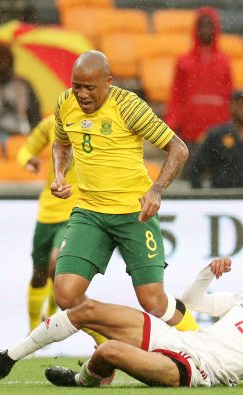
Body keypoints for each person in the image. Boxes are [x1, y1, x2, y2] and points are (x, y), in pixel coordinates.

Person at [0, 257, 243, 389]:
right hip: (179, 341)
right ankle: (7, 358)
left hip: (196, 369)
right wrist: (207, 272)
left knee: (109, 350)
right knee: (88, 310)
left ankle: (85, 380)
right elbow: (192, 302)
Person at [48, 50, 199, 343]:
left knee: (153, 301)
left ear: (108, 82)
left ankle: (204, 345)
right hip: (90, 212)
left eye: (89, 87)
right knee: (66, 294)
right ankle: (107, 342)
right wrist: (60, 174)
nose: (81, 94)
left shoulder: (128, 107)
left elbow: (179, 149)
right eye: (76, 86)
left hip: (134, 213)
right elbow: (61, 143)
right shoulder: (65, 103)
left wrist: (156, 190)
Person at [17, 115, 79, 333]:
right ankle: (33, 326)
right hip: (48, 212)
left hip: (76, 210)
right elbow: (25, 150)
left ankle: (51, 314)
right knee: (39, 273)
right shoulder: (52, 123)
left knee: (56, 263)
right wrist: (28, 160)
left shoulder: (98, 124)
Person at [164, 7, 233, 177]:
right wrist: (172, 124)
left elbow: (229, 95)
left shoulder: (224, 61)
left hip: (218, 131)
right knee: (191, 176)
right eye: (202, 25)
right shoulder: (184, 61)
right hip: (190, 131)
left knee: (219, 176)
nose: (206, 29)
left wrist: (230, 127)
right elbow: (176, 96)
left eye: (210, 25)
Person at [189, 89, 243, 189]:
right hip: (224, 197)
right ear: (230, 106)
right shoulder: (216, 136)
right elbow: (195, 169)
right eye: (238, 103)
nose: (242, 107)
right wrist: (202, 195)